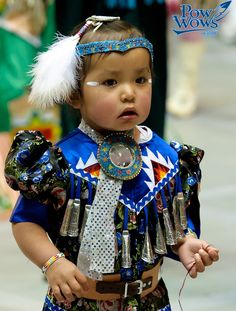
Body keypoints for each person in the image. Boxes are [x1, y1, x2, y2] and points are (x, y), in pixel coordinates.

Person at [5, 16, 219, 311]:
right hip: (78, 302)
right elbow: (26, 221)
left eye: (141, 80)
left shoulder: (168, 159)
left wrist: (184, 243)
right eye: (110, 82)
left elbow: (169, 221)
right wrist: (51, 261)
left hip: (150, 301)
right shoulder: (61, 163)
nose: (129, 92)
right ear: (74, 94)